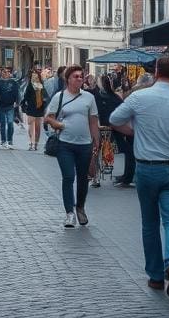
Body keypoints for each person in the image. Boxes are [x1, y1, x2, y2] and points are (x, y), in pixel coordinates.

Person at [110, 55, 169, 298]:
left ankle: (155, 276)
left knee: (150, 223)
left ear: (156, 72)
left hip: (146, 167)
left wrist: (135, 132)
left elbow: (114, 120)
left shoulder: (139, 97)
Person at [44, 66, 100, 228]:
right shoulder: (59, 97)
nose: (79, 79)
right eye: (75, 76)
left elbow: (93, 121)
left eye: (81, 76)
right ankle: (69, 213)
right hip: (65, 144)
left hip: (85, 144)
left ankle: (80, 208)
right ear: (67, 79)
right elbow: (48, 118)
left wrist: (96, 140)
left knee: (83, 178)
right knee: (68, 177)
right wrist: (59, 124)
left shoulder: (89, 97)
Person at [92, 73, 124, 188]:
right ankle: (97, 175)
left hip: (103, 129)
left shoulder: (95, 96)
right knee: (99, 152)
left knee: (98, 152)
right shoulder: (114, 97)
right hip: (108, 129)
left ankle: (96, 176)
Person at [21, 65, 48, 151]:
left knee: (37, 127)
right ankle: (31, 142)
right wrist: (24, 102)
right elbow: (26, 96)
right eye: (33, 76)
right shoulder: (30, 85)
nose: (34, 77)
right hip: (31, 107)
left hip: (39, 108)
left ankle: (36, 143)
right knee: (31, 126)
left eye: (36, 75)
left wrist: (44, 101)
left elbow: (46, 96)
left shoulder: (41, 85)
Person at [0, 67, 19, 149]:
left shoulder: (13, 82)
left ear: (10, 73)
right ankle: (3, 141)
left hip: (10, 106)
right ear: (2, 73)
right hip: (1, 106)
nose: (6, 73)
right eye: (4, 72)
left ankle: (10, 141)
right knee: (3, 124)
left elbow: (16, 93)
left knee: (10, 123)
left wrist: (16, 102)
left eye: (8, 72)